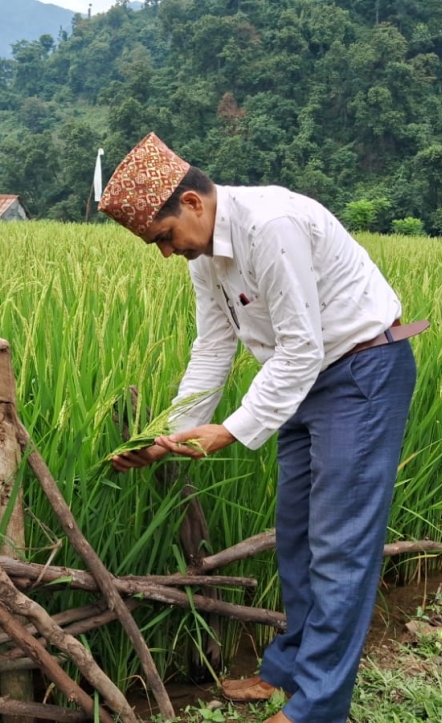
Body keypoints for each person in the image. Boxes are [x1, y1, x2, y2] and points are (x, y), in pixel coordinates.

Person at [98, 132, 428, 723]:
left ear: (193, 204)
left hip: (359, 372)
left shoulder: (270, 224)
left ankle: (318, 707)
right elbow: (215, 345)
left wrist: (229, 429)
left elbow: (301, 347)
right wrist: (166, 435)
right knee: (297, 533)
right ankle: (288, 673)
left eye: (165, 237)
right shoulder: (208, 256)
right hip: (301, 381)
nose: (166, 253)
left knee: (341, 544)